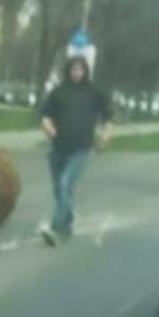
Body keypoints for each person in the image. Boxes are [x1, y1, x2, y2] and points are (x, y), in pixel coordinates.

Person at [39, 54, 111, 245]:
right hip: (58, 148)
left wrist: (105, 134)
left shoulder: (94, 93)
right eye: (73, 69)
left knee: (64, 185)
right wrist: (49, 129)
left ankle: (55, 229)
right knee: (59, 192)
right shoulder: (58, 92)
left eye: (80, 69)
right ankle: (68, 221)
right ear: (68, 71)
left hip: (80, 149)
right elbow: (45, 116)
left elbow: (107, 116)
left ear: (85, 71)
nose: (76, 73)